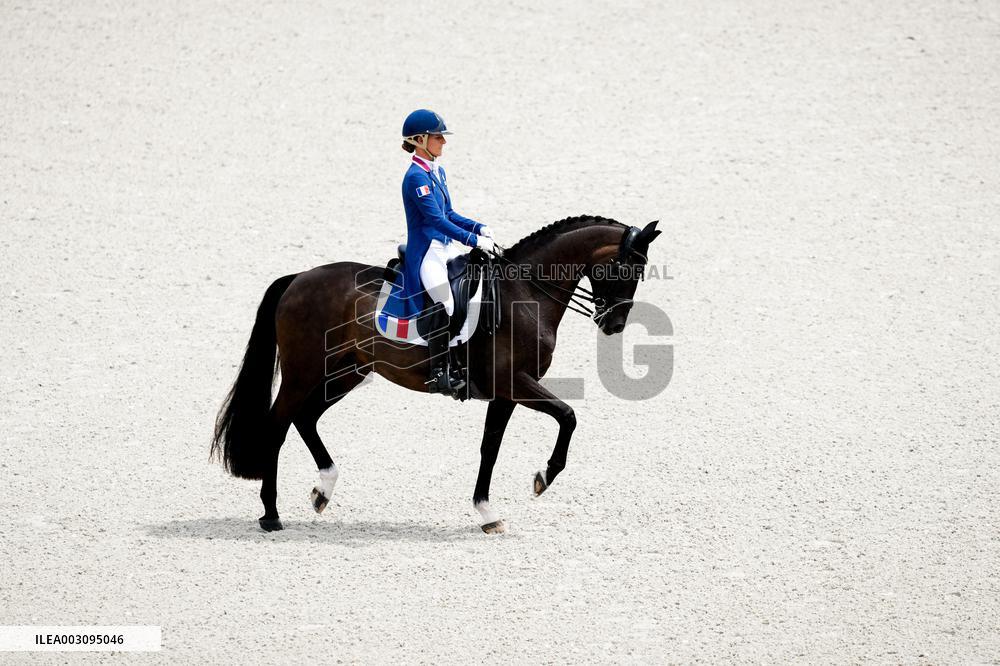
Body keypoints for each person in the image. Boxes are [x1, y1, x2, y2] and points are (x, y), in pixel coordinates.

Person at [399, 109, 496, 396]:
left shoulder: (436, 172)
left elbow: (449, 213)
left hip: (445, 247)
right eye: (437, 136)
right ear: (419, 140)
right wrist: (472, 240)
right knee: (447, 303)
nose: (443, 141)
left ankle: (462, 360)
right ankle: (439, 372)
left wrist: (479, 227)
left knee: (472, 289)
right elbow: (434, 220)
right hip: (427, 251)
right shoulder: (416, 177)